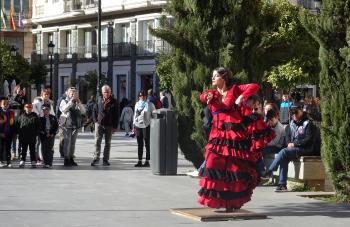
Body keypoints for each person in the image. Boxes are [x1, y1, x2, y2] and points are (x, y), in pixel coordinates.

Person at [198, 67, 274, 212]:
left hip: (234, 135)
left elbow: (254, 86)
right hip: (218, 135)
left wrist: (242, 96)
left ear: (224, 77)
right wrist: (205, 97)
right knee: (213, 164)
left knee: (234, 169)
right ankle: (220, 199)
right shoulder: (212, 93)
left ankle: (232, 202)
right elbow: (202, 96)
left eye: (215, 76)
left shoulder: (235, 89)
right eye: (212, 76)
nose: (212, 78)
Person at [265, 104, 319, 192]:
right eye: (292, 114)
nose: (294, 115)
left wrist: (294, 144)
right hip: (294, 149)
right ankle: (282, 185)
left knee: (284, 152)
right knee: (284, 158)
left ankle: (271, 169)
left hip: (306, 149)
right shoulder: (291, 124)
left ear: (301, 111)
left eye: (295, 113)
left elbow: (309, 139)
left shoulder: (308, 123)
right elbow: (287, 138)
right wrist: (289, 143)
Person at [91, 85, 119, 166]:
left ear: (110, 92)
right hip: (99, 124)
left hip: (109, 125)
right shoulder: (99, 99)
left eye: (107, 92)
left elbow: (116, 115)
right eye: (104, 92)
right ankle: (96, 158)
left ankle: (105, 159)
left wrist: (115, 126)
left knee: (108, 143)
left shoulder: (114, 101)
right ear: (102, 93)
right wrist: (95, 120)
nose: (106, 93)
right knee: (97, 141)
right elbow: (94, 110)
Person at [59, 87, 86, 166]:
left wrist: (79, 103)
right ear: (68, 94)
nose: (73, 95)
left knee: (73, 143)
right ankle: (66, 158)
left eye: (75, 93)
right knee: (67, 142)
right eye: (72, 93)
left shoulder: (77, 102)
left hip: (75, 125)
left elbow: (83, 111)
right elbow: (63, 109)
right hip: (67, 124)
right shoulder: (64, 101)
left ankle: (71, 158)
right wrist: (71, 102)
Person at [32, 89, 55, 163]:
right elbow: (33, 108)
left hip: (46, 124)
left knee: (44, 142)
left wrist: (53, 120)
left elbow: (52, 113)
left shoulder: (50, 103)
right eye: (45, 94)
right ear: (42, 95)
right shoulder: (37, 101)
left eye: (48, 94)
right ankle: (36, 158)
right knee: (37, 142)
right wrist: (38, 115)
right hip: (38, 122)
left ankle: (43, 158)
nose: (46, 96)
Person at [133, 90, 155, 167]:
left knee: (147, 143)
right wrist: (133, 126)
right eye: (140, 96)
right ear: (139, 97)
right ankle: (139, 161)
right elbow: (135, 115)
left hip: (146, 125)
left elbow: (154, 114)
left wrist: (152, 123)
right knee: (139, 144)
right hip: (138, 125)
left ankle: (147, 161)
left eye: (143, 96)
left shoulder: (149, 104)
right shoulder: (137, 104)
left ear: (146, 96)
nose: (142, 97)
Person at [15, 103, 41, 168]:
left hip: (32, 136)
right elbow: (17, 125)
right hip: (23, 136)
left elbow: (38, 126)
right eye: (27, 107)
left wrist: (36, 134)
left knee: (32, 150)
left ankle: (33, 161)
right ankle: (22, 160)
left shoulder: (35, 116)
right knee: (23, 150)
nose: (28, 108)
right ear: (24, 108)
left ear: (31, 108)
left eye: (30, 107)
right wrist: (18, 133)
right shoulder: (21, 116)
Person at [39, 104, 59, 168]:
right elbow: (39, 128)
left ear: (49, 110)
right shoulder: (40, 118)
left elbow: (56, 127)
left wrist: (52, 133)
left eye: (47, 109)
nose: (46, 111)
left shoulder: (53, 117)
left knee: (50, 149)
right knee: (44, 149)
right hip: (43, 136)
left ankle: (49, 162)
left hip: (51, 135)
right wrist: (44, 133)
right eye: (44, 110)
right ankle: (45, 162)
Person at [0, 98, 15, 167]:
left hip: (9, 133)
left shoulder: (11, 112)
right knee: (1, 148)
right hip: (1, 133)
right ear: (1, 105)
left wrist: (13, 132)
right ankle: (1, 161)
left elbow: (13, 123)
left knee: (8, 148)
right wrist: (1, 132)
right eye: (4, 104)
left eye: (7, 104)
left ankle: (8, 161)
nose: (5, 105)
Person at [56, 90, 68, 158]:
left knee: (66, 137)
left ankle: (66, 152)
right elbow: (57, 109)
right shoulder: (62, 99)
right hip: (62, 118)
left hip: (67, 119)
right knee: (62, 136)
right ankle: (62, 153)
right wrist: (58, 119)